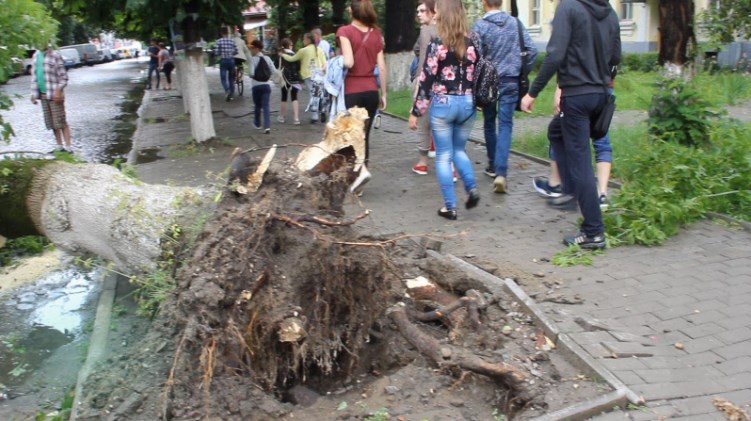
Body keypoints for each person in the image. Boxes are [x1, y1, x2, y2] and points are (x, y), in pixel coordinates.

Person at [519, 0, 620, 249]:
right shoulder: (610, 11)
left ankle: (593, 231)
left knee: (581, 162)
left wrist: (533, 92)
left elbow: (555, 55)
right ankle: (571, 189)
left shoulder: (569, 7)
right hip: (600, 94)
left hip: (577, 97)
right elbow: (616, 57)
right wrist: (606, 81)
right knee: (556, 131)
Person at [408, 0, 481, 220]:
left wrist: (416, 112)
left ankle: (450, 207)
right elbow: (479, 73)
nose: (435, 11)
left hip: (443, 105)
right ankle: (472, 188)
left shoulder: (437, 43)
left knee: (443, 156)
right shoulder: (473, 42)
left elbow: (426, 80)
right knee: (459, 150)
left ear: (444, 14)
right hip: (468, 104)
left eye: (438, 8)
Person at [472, 0, 537, 194]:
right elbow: (532, 51)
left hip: (488, 83)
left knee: (490, 122)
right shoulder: (515, 23)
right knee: (506, 124)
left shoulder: (479, 26)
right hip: (511, 81)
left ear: (484, 3)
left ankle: (493, 165)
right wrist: (521, 70)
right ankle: (501, 172)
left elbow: (474, 57)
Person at [533, 82, 615, 209]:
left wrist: (559, 88)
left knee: (560, 133)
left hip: (577, 90)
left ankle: (556, 184)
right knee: (601, 140)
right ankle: (601, 194)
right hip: (604, 89)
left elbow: (564, 63)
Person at [337, 0, 387, 166]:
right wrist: (384, 94)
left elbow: (349, 62)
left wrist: (331, 64)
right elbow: (381, 67)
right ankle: (361, 177)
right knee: (364, 136)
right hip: (371, 92)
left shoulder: (345, 31)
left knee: (349, 137)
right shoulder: (376, 34)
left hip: (352, 92)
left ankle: (349, 175)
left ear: (351, 11)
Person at [410, 0, 438, 176]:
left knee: (423, 122)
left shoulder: (427, 31)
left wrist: (417, 89)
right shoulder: (447, 29)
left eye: (422, 11)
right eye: (417, 11)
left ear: (432, 12)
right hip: (445, 84)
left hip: (427, 82)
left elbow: (422, 63)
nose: (418, 14)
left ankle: (422, 162)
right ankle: (450, 166)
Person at [30, 42, 72, 152]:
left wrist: (58, 90)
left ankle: (68, 147)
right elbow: (35, 77)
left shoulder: (55, 55)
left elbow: (64, 78)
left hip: (55, 95)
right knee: (51, 122)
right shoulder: (35, 56)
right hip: (43, 95)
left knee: (61, 121)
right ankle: (59, 146)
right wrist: (34, 94)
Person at [281, 32, 328, 123]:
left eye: (304, 39)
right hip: (319, 75)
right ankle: (323, 109)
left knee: (312, 94)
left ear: (308, 40)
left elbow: (292, 58)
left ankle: (314, 116)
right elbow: (325, 63)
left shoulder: (303, 51)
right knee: (319, 93)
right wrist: (323, 70)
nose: (303, 40)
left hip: (308, 75)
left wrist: (282, 55)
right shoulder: (319, 49)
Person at [248, 39, 275, 134]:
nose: (251, 50)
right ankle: (267, 126)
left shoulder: (253, 59)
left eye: (251, 48)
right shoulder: (267, 58)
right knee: (266, 106)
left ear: (256, 48)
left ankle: (257, 124)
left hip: (256, 86)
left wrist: (254, 76)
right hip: (267, 85)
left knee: (257, 106)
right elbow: (274, 71)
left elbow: (251, 73)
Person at [278, 38, 302, 125]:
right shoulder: (295, 55)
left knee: (284, 97)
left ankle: (281, 116)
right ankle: (296, 118)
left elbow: (278, 66)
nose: (292, 46)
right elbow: (299, 66)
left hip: (284, 78)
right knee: (294, 96)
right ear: (289, 46)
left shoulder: (281, 55)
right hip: (295, 77)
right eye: (291, 45)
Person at [215, 27, 238, 101]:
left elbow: (216, 52)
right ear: (228, 32)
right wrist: (231, 53)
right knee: (231, 78)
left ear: (221, 33)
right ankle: (231, 94)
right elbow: (236, 51)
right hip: (231, 61)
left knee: (223, 78)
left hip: (223, 61)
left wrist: (220, 53)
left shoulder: (219, 41)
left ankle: (227, 90)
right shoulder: (232, 41)